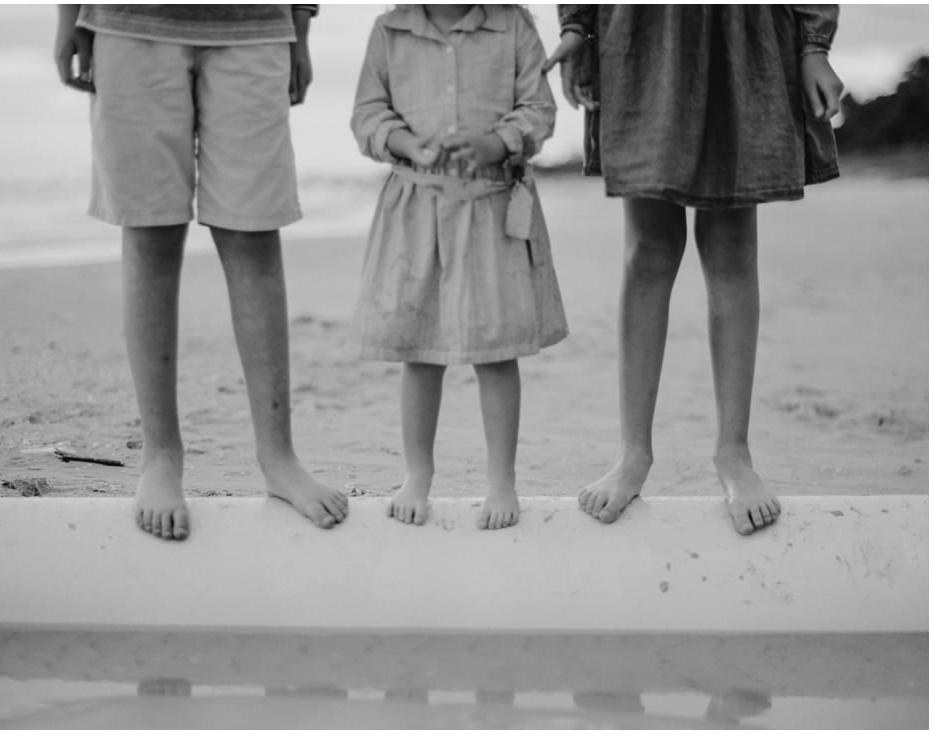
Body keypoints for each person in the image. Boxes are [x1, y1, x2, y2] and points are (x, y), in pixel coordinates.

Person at [53, 4, 349, 541]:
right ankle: (161, 457)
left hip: (255, 26)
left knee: (253, 235)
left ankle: (278, 457)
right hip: (127, 22)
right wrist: (68, 14)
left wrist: (300, 23)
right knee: (150, 235)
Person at [544, 6, 844, 534]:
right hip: (642, 34)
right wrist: (578, 26)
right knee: (650, 251)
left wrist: (814, 44)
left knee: (731, 250)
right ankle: (633, 453)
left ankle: (734, 453)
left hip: (745, 32)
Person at [350, 5, 568, 530]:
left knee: (496, 349)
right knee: (419, 348)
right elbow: (367, 114)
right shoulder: (390, 30)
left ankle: (501, 481)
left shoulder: (514, 26)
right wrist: (409, 145)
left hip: (491, 203)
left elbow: (539, 109)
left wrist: (493, 143)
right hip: (415, 205)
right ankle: (418, 474)